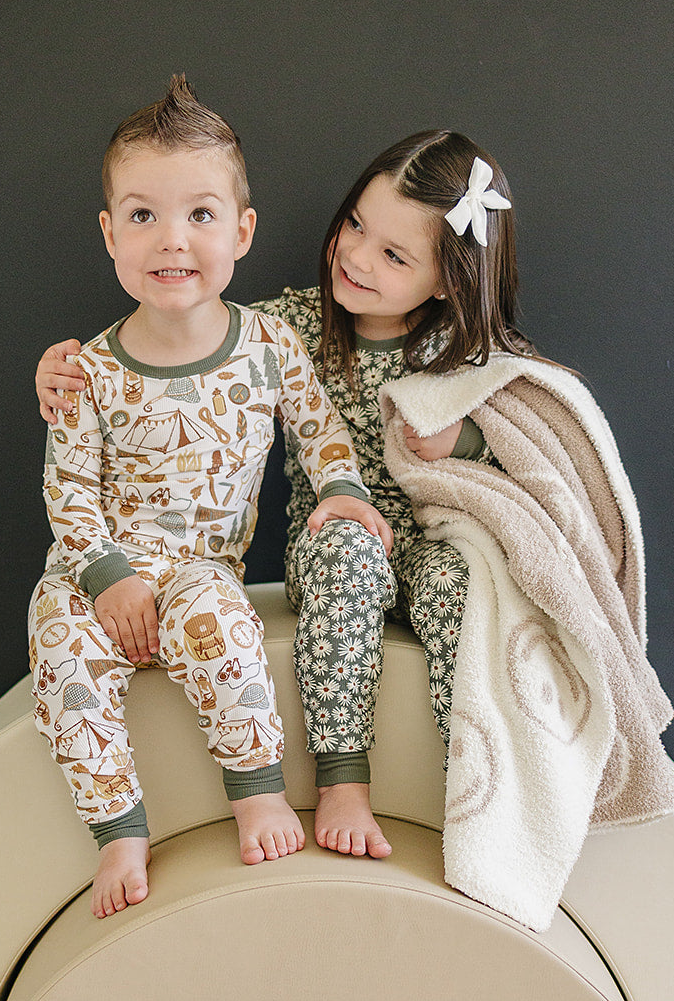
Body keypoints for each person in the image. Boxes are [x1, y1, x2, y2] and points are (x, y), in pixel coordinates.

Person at [37, 128, 540, 866]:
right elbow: (191, 318)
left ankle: (488, 799)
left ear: (447, 281)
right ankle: (335, 782)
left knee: (466, 595)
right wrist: (58, 372)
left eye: (394, 255)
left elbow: (542, 437)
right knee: (343, 550)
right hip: (331, 542)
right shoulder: (292, 327)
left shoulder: (468, 353)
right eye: (355, 226)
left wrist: (462, 441)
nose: (358, 257)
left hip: (433, 540)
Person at [31, 75, 391, 918]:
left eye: (199, 214)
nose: (172, 240)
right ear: (109, 233)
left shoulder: (268, 344)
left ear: (241, 231)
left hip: (201, 567)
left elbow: (319, 428)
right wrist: (106, 579)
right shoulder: (88, 370)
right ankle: (117, 827)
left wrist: (341, 488)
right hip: (98, 567)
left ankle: (256, 791)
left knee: (226, 630)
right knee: (57, 649)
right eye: (142, 215)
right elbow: (68, 491)